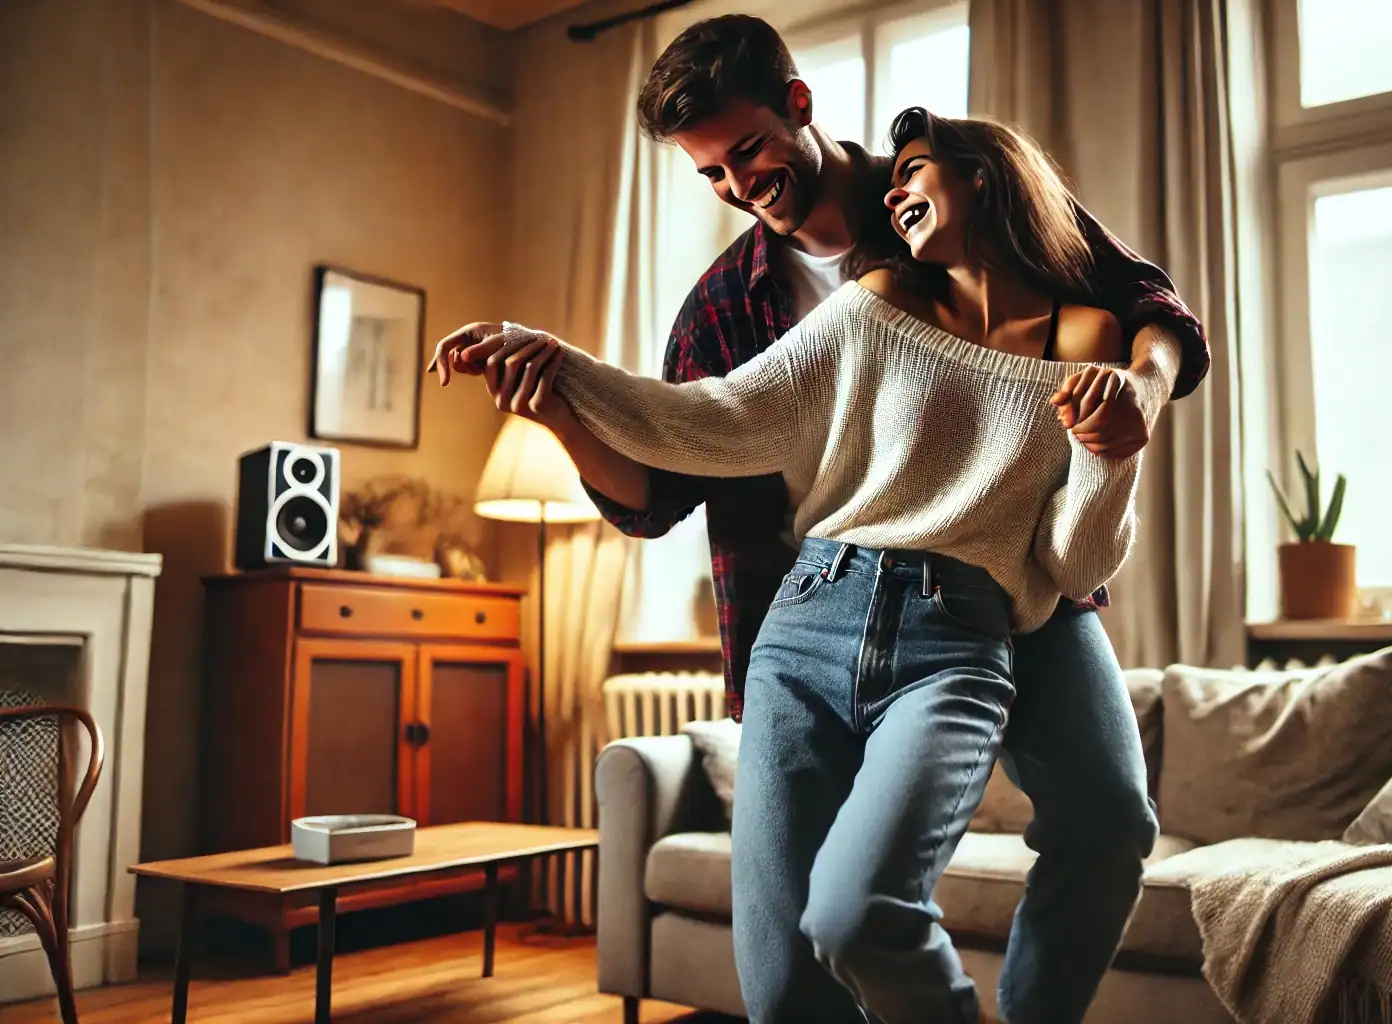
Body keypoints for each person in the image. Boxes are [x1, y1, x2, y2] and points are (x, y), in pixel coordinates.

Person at [434, 16, 1208, 1024]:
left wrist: (1138, 391)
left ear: (798, 104)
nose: (737, 185)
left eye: (747, 150)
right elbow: (668, 477)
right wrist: (563, 410)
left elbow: (1139, 291)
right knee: (792, 957)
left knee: (1108, 819)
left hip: (1016, 583)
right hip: (812, 602)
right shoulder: (722, 303)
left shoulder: (946, 186)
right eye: (709, 172)